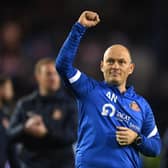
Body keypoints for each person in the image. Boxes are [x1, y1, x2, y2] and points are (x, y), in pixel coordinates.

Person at [55, 10, 161, 168]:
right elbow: (62, 65)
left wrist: (137, 138)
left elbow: (156, 147)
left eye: (121, 62)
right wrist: (80, 27)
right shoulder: (88, 89)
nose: (115, 66)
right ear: (102, 66)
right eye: (110, 61)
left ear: (131, 68)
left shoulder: (142, 105)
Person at [7, 58, 77, 168]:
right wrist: (25, 128)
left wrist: (46, 133)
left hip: (62, 164)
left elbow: (73, 135)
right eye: (48, 74)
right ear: (38, 77)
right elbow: (10, 134)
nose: (53, 78)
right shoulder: (25, 104)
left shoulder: (69, 104)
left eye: (56, 74)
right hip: (31, 163)